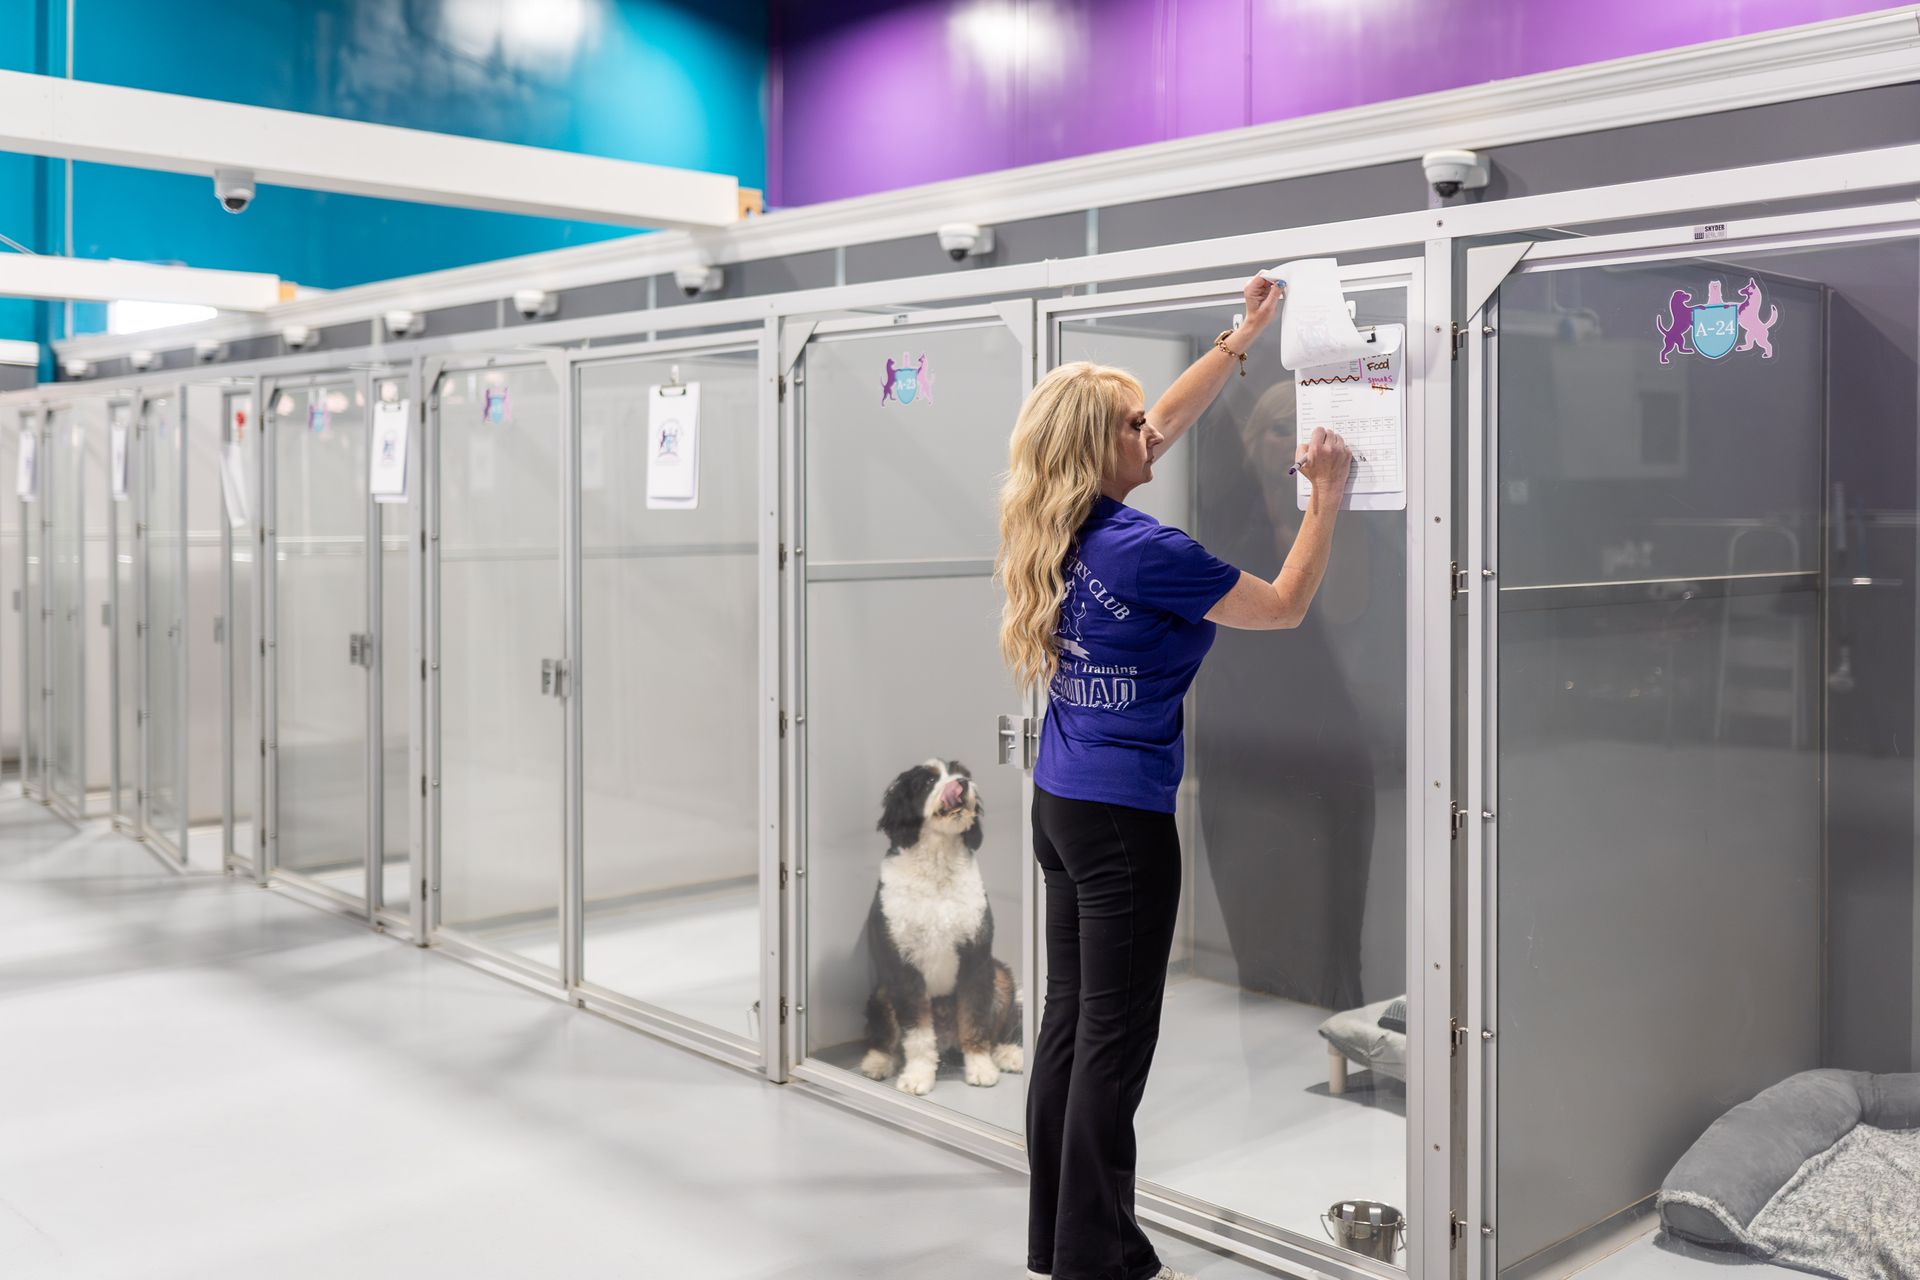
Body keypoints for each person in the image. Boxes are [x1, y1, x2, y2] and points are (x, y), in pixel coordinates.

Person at [995, 273, 1352, 1280]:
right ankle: (1091, 1254)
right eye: (1127, 425)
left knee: (1069, 1025)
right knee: (1115, 1040)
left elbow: (1161, 417)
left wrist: (1243, 336)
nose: (1149, 431)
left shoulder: (1051, 522)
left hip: (1061, 803)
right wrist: (1326, 498)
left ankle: (1060, 1234)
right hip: (1120, 825)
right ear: (1094, 450)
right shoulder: (1148, 550)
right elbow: (1281, 604)